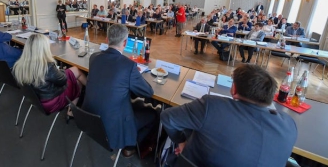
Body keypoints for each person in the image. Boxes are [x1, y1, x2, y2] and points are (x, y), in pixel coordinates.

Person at [161, 64, 297, 167]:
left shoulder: (211, 106)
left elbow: (168, 117)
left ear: (234, 89)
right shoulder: (290, 126)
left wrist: (182, 142)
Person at [82, 24, 157, 157]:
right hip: (113, 126)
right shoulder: (128, 66)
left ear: (106, 39)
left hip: (90, 119)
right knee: (153, 114)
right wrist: (135, 75)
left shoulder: (94, 58)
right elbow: (148, 92)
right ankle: (130, 146)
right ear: (125, 42)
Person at [12, 34, 86, 114]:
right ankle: (86, 98)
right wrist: (59, 71)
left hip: (37, 100)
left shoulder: (19, 65)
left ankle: (71, 112)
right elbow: (63, 81)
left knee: (74, 71)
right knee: (77, 81)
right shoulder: (47, 66)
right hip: (52, 102)